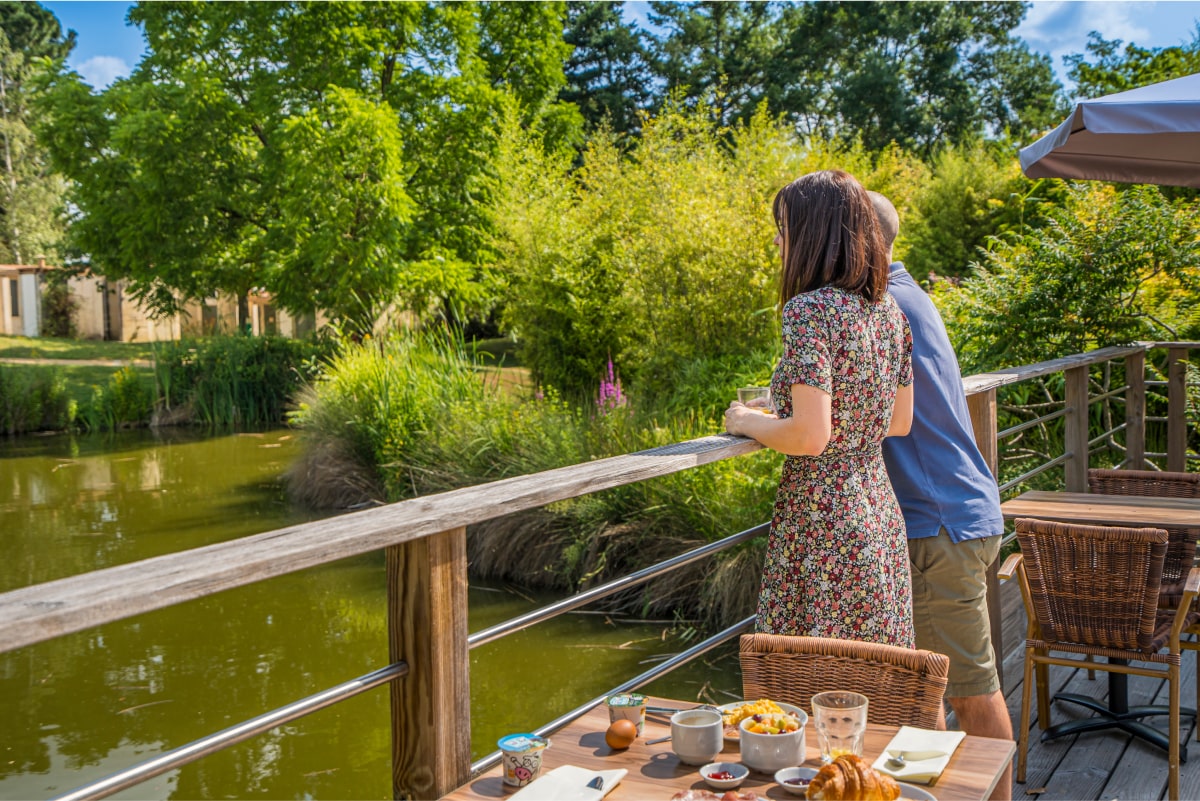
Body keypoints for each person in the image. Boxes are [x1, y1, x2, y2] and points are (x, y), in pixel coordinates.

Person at [725, 170, 915, 646]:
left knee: (813, 676)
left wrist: (747, 421)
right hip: (877, 509)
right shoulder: (889, 311)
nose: (776, 240)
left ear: (814, 233)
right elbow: (899, 421)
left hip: (823, 520)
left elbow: (811, 436)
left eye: (784, 227)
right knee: (871, 678)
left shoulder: (809, 310)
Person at [870, 191, 1013, 800]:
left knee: (969, 689)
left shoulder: (886, 308)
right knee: (926, 684)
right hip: (958, 510)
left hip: (937, 521)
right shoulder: (909, 296)